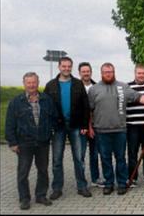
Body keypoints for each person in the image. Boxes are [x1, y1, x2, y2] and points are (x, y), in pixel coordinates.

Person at [87, 62, 144, 196]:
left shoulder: (123, 87)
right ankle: (109, 183)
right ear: (101, 73)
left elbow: (139, 97)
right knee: (105, 158)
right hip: (101, 130)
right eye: (106, 72)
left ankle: (122, 183)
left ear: (114, 72)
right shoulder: (94, 89)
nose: (108, 74)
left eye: (110, 71)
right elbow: (89, 110)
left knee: (121, 158)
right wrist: (89, 127)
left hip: (120, 130)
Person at [5, 72, 59, 210]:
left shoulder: (46, 100)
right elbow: (10, 124)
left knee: (43, 170)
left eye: (34, 82)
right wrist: (13, 142)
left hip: (42, 141)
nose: (31, 85)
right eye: (28, 82)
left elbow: (55, 117)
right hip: (24, 142)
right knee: (23, 172)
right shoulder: (16, 102)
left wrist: (51, 132)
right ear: (24, 84)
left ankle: (40, 195)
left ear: (38, 82)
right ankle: (24, 198)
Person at [44, 57, 92, 200]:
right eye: (64, 66)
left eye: (69, 66)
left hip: (75, 125)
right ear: (59, 67)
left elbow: (85, 106)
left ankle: (82, 186)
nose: (66, 69)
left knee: (79, 158)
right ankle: (57, 188)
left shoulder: (78, 84)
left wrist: (84, 125)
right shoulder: (51, 85)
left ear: (72, 68)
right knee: (57, 159)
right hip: (58, 126)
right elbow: (46, 108)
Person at [78, 62, 104, 188]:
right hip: (80, 127)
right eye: (83, 71)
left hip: (95, 126)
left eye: (88, 71)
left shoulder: (97, 87)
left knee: (94, 153)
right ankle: (81, 181)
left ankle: (95, 178)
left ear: (91, 72)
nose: (86, 73)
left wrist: (92, 126)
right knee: (80, 155)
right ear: (79, 73)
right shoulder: (75, 87)